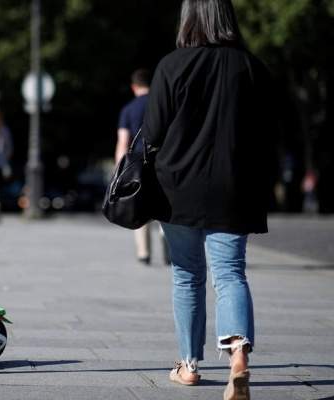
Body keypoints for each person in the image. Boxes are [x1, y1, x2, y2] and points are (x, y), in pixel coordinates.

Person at [141, 1, 276, 399]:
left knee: (187, 274)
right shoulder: (252, 68)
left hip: (177, 187)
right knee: (231, 272)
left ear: (188, 19)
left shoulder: (171, 66)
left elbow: (152, 132)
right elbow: (269, 133)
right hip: (234, 187)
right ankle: (238, 355)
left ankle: (188, 365)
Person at [116, 69, 170, 266]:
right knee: (164, 207)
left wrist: (119, 170)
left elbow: (123, 142)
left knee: (139, 206)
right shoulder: (162, 105)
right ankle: (169, 250)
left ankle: (144, 253)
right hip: (162, 161)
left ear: (133, 86)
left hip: (138, 165)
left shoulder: (128, 109)